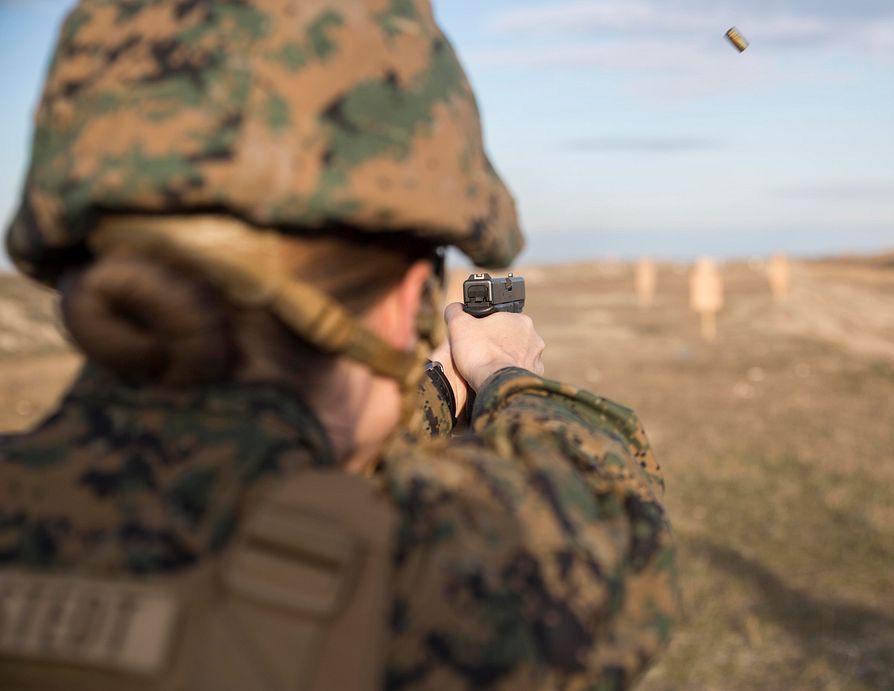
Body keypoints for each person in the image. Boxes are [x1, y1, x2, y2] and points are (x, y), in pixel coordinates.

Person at [0, 1, 679, 689]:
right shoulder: (427, 582)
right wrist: (508, 373)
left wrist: (437, 389)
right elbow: (611, 522)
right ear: (401, 301)